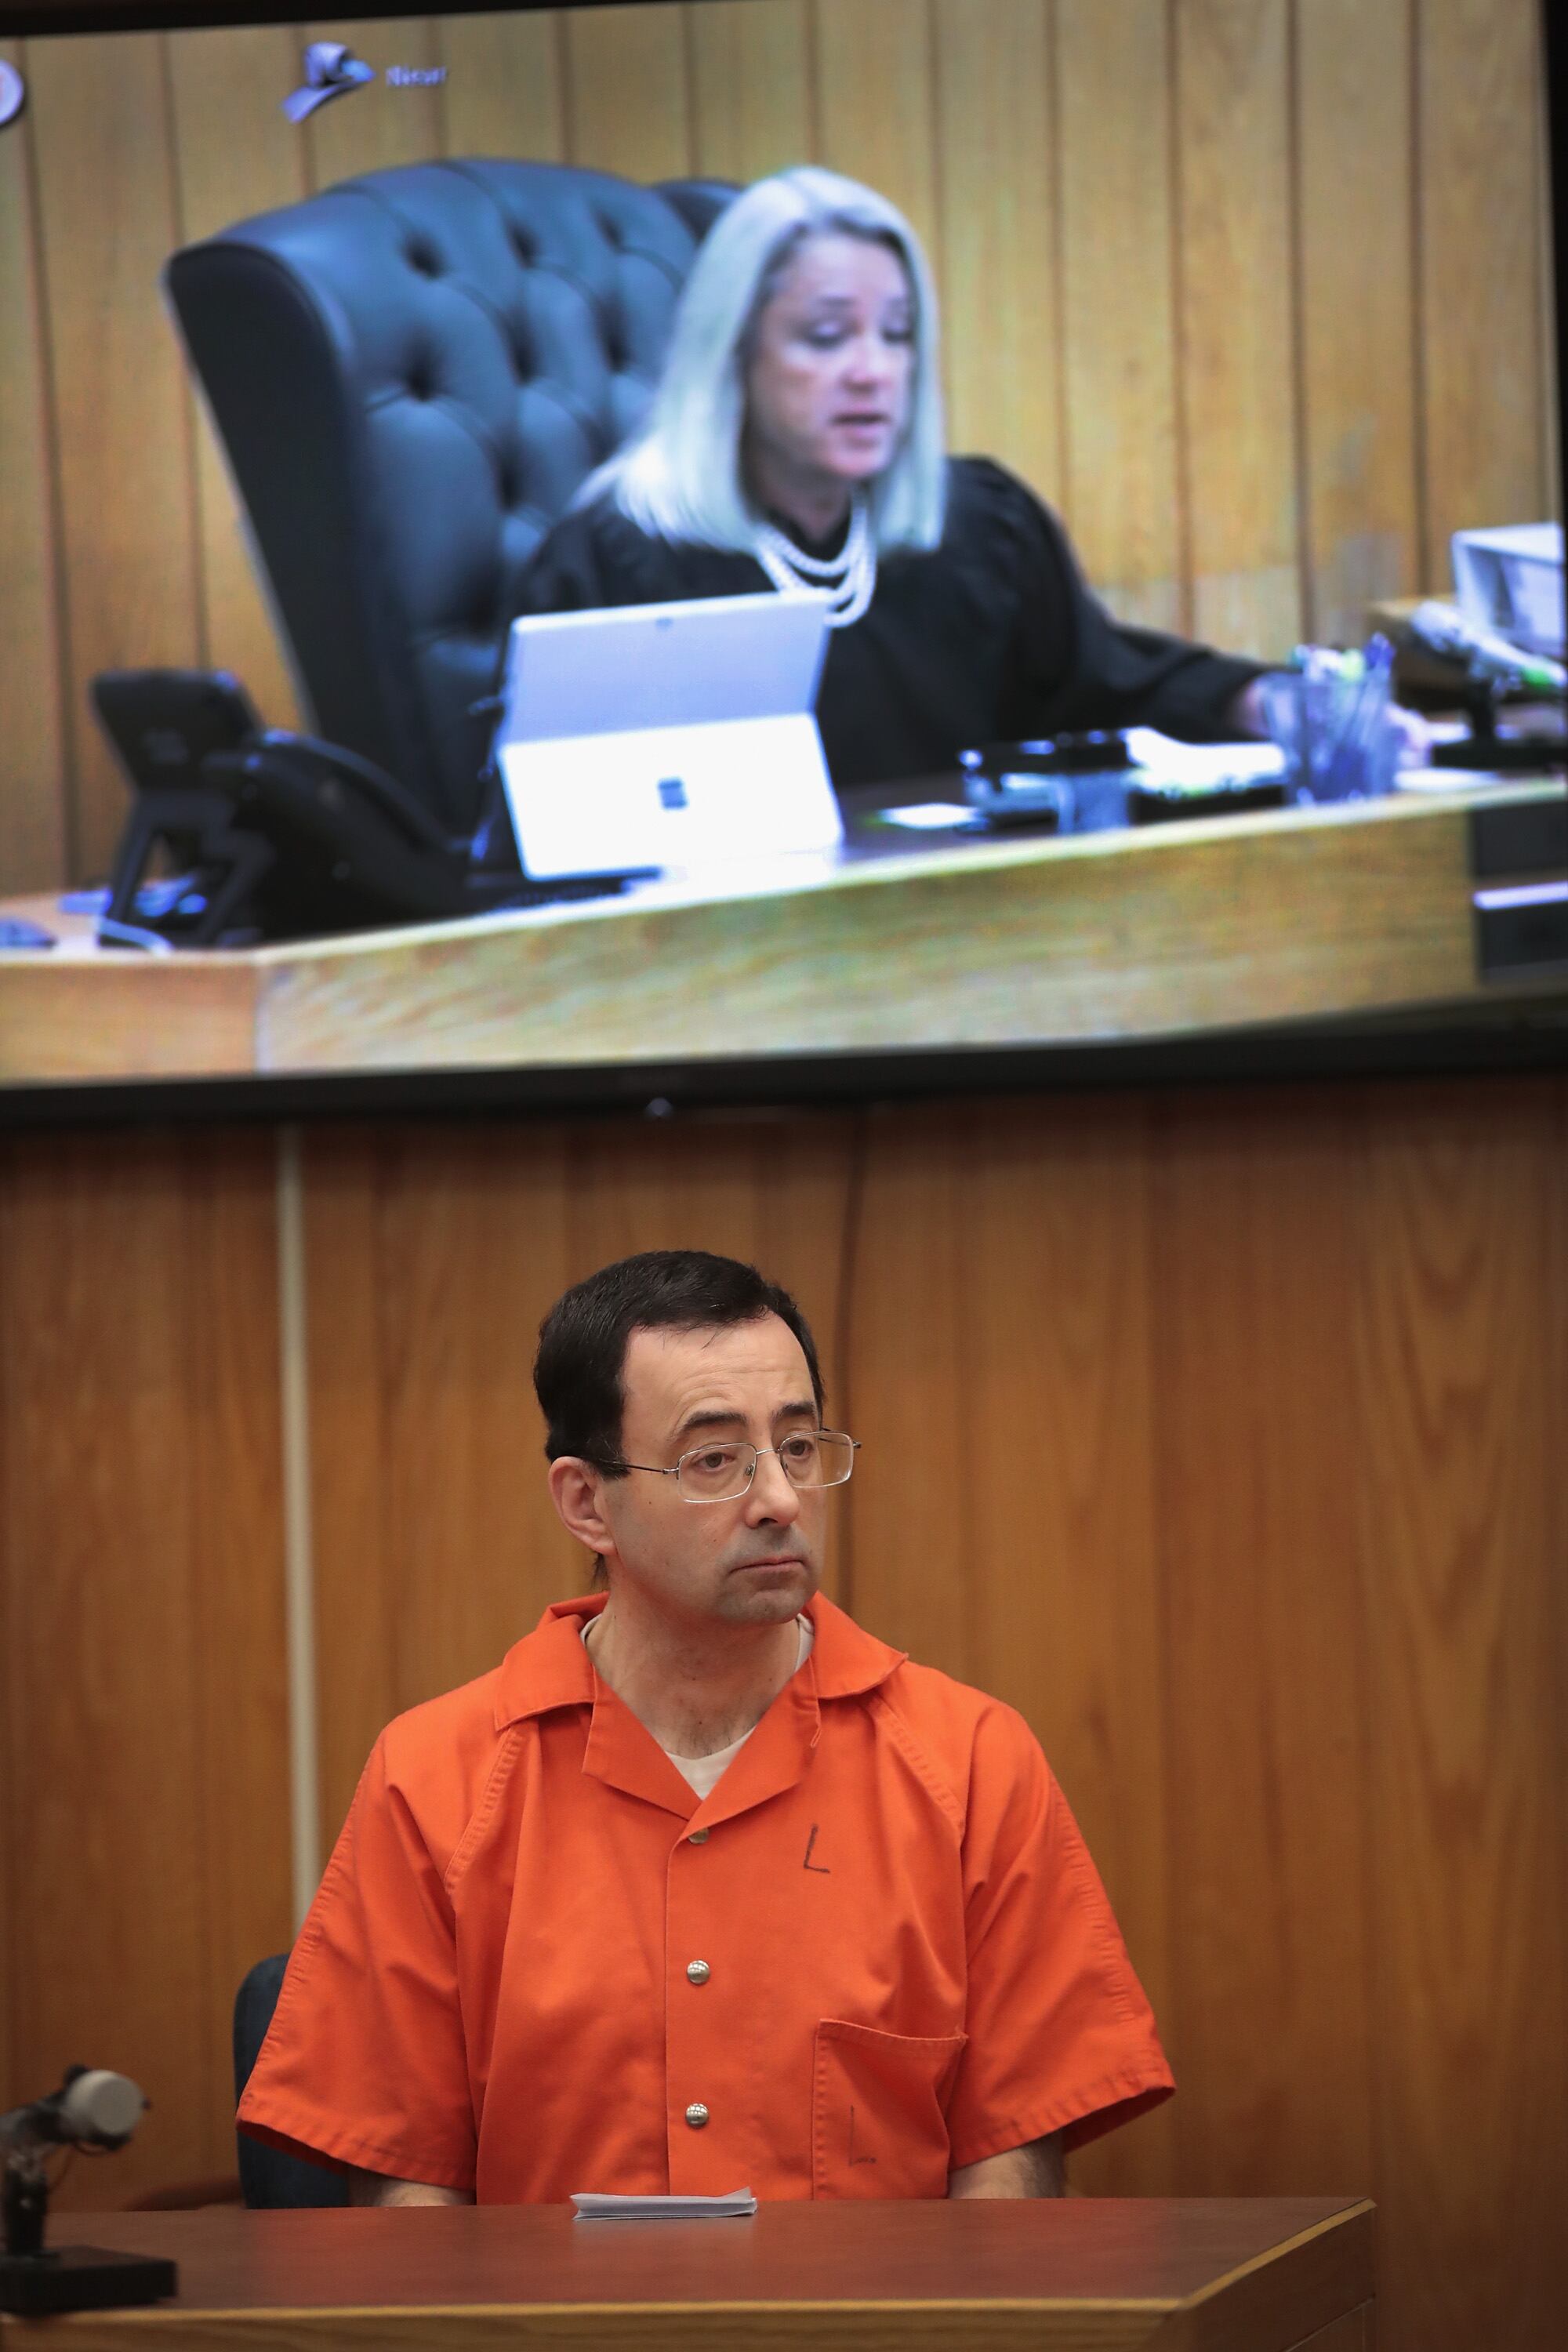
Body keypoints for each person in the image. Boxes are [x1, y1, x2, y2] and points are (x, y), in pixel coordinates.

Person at [238, 1250, 1173, 2205]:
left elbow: (1010, 2163)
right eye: (714, 1459)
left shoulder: (969, 1761)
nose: (776, 1499)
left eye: (799, 1448)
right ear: (585, 1502)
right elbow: (406, 2196)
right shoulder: (435, 1776)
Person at [507, 166, 1273, 795]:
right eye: (826, 336)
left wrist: (1259, 701)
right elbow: (547, 819)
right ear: (732, 354)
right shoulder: (615, 562)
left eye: (896, 334)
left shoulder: (979, 527)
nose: (872, 372)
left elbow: (1103, 686)